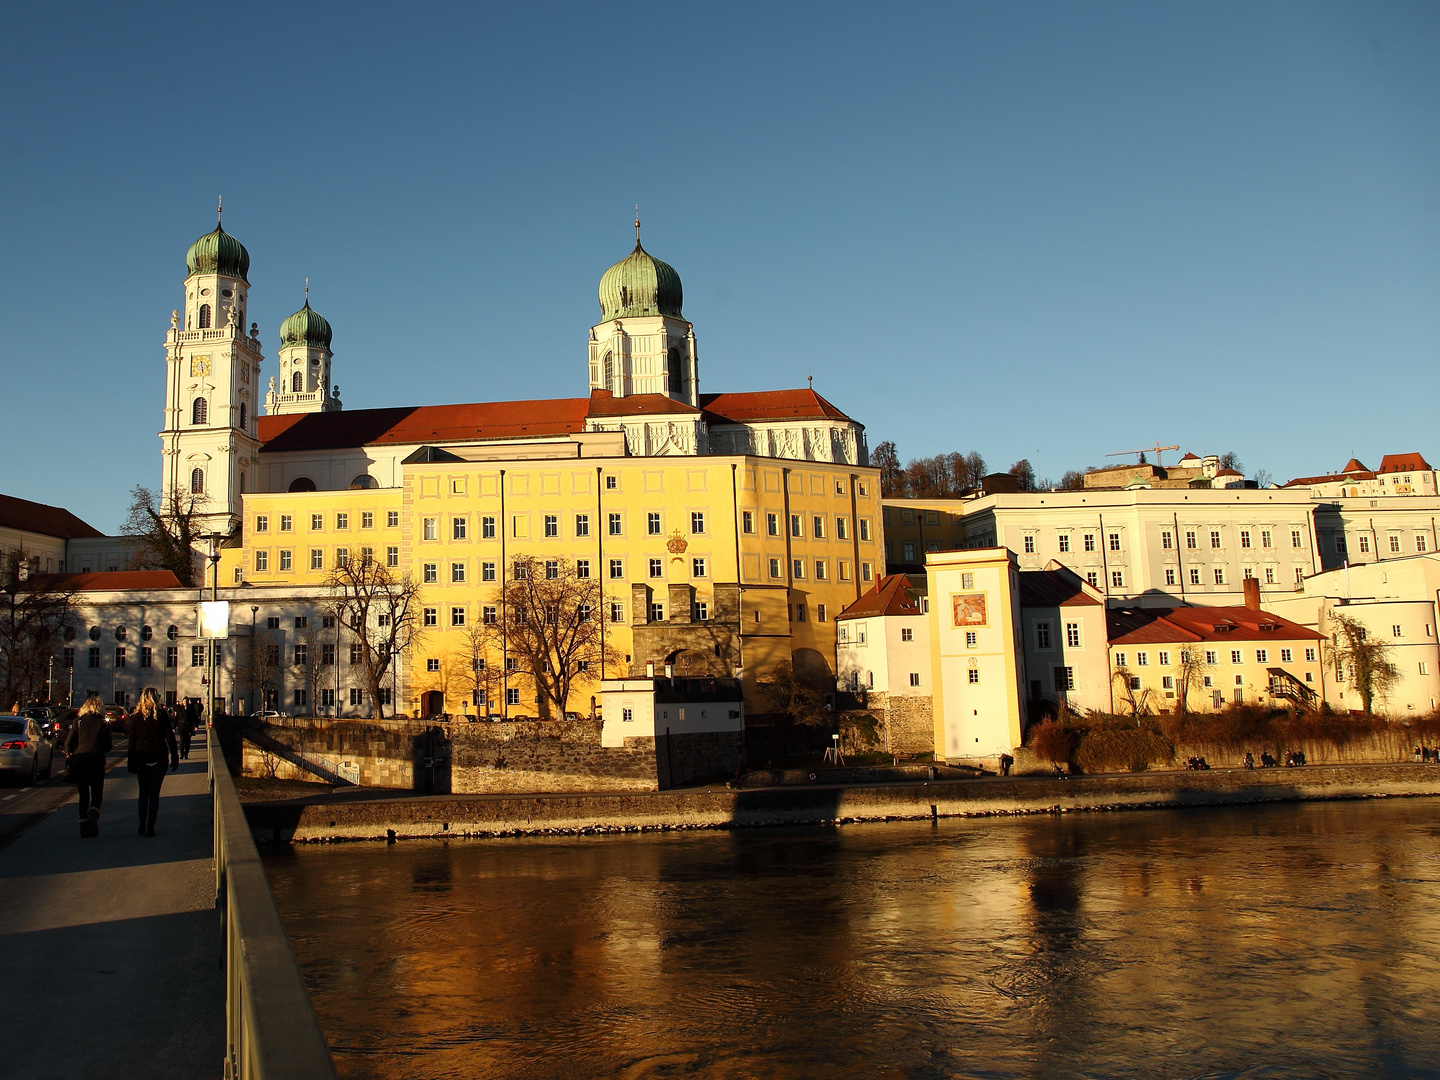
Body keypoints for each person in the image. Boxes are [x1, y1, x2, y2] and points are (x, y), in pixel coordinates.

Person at [128, 688, 178, 837]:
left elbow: (132, 741)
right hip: (159, 759)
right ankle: (151, 826)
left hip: (141, 758)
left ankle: (142, 825)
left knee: (143, 793)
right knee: (154, 794)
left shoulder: (136, 717)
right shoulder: (161, 716)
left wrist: (131, 761)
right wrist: (175, 756)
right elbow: (170, 738)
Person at [64, 695, 112, 838]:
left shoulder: (77, 722)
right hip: (97, 761)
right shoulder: (103, 723)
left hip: (80, 761)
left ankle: (83, 826)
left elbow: (68, 744)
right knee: (97, 792)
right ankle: (94, 810)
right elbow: (108, 746)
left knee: (83, 794)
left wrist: (70, 752)